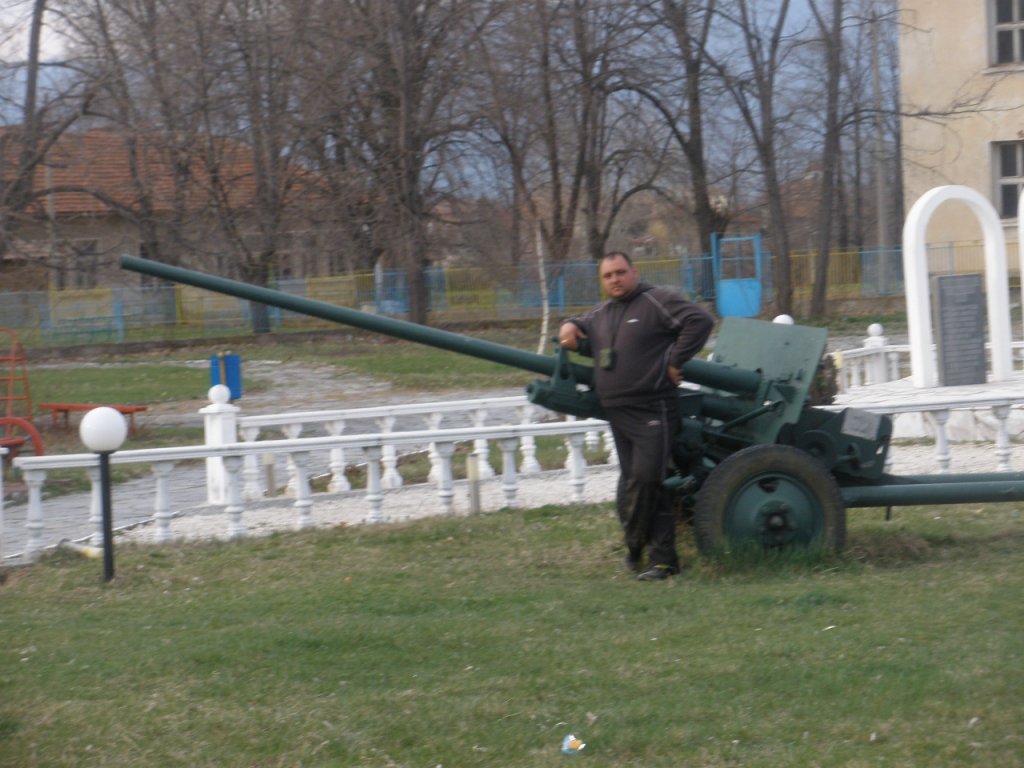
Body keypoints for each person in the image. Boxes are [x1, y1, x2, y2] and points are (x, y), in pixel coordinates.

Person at [559, 252, 714, 581]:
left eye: (620, 273)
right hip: (617, 412)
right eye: (607, 276)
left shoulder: (657, 301)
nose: (614, 280)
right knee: (640, 483)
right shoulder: (602, 313)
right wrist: (569, 325)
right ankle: (661, 561)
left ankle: (635, 546)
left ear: (634, 272)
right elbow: (581, 323)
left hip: (653, 408)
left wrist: (675, 360)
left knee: (646, 479)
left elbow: (700, 321)